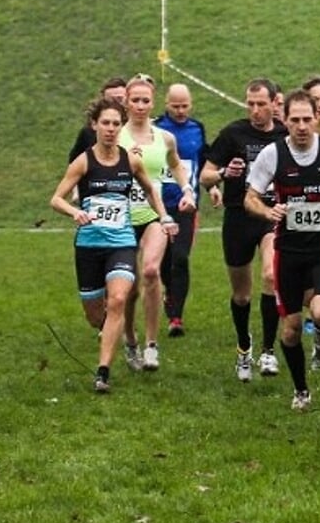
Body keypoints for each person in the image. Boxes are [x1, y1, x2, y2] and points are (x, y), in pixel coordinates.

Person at [244, 90, 320, 410]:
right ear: (284, 119)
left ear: (317, 118)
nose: (301, 126)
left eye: (307, 119)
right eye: (294, 120)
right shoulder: (272, 154)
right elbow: (250, 197)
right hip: (289, 251)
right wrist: (266, 212)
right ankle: (301, 390)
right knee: (292, 329)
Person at [49, 99, 173, 393]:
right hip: (90, 246)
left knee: (118, 299)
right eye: (105, 123)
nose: (110, 128)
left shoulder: (130, 160)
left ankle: (102, 373)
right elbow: (55, 199)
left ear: (122, 126)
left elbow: (151, 188)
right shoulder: (83, 161)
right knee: (96, 316)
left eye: (116, 123)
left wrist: (164, 215)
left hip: (122, 242)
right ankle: (118, 334)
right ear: (95, 125)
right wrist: (74, 212)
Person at [200, 78, 288, 383]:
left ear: (275, 103)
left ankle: (267, 351)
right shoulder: (233, 133)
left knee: (270, 275)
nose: (255, 110)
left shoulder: (284, 134)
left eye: (261, 104)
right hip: (238, 217)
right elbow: (205, 177)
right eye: (250, 104)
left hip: (270, 214)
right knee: (241, 295)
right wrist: (224, 173)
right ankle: (243, 347)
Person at [116, 75, 195, 373]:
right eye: (134, 100)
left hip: (154, 215)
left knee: (150, 271)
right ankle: (130, 338)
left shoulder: (164, 137)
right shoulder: (115, 136)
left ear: (152, 103)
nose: (140, 105)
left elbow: (175, 164)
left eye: (145, 100)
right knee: (128, 288)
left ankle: (151, 345)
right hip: (122, 216)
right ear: (125, 102)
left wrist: (187, 189)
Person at [154, 83, 207, 337]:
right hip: (158, 205)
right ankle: (168, 292)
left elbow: (202, 162)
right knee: (162, 262)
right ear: (166, 103)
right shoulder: (155, 129)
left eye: (185, 105)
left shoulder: (197, 128)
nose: (180, 110)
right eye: (175, 106)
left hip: (186, 205)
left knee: (181, 258)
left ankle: (176, 317)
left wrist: (212, 187)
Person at [67, 77, 128, 162]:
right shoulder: (89, 133)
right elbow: (73, 163)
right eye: (110, 101)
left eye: (120, 100)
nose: (115, 106)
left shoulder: (143, 130)